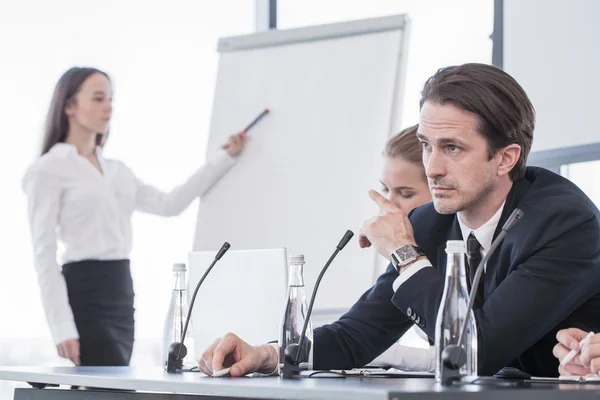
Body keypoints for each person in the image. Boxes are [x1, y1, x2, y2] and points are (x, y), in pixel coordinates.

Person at [199, 63, 600, 378]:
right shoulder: (430, 222)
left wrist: (405, 254)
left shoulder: (565, 223)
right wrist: (267, 354)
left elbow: (477, 350)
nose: (433, 168)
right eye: (427, 146)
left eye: (453, 148)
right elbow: (358, 334)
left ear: (506, 158)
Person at [22, 67, 247, 367]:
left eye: (111, 99)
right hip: (84, 290)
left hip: (121, 288)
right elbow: (44, 253)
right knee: (106, 386)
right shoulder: (47, 170)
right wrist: (61, 325)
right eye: (99, 98)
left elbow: (170, 204)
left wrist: (225, 158)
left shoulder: (118, 171)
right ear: (69, 106)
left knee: (111, 381)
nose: (108, 107)